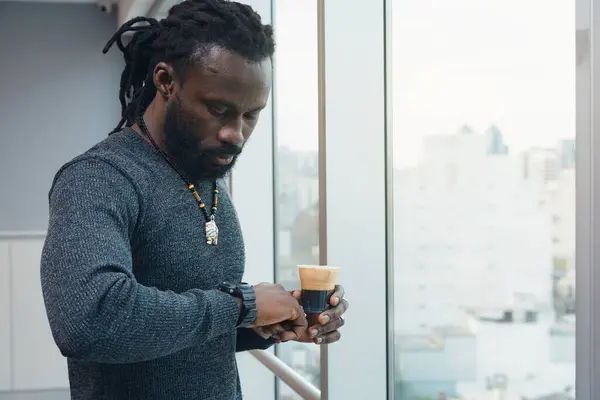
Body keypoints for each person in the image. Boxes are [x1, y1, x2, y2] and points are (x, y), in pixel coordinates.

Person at [39, 0, 349, 399]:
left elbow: (184, 328)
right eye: (218, 110)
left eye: (251, 115)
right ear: (166, 81)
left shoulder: (203, 173)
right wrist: (241, 306)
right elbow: (90, 321)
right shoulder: (98, 178)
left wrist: (262, 324)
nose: (235, 134)